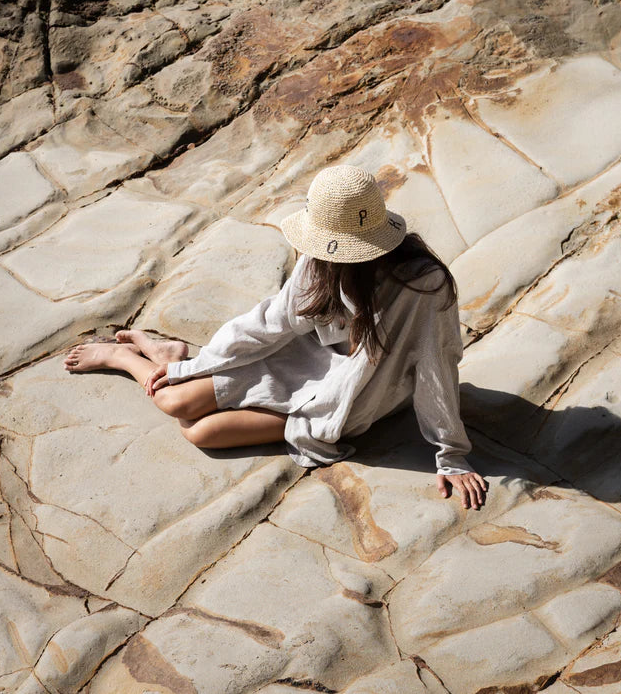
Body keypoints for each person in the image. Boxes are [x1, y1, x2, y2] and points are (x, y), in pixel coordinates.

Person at [64, 165, 487, 509]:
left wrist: (450, 455)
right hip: (298, 360)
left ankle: (150, 357)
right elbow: (268, 324)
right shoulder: (322, 260)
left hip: (350, 395)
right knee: (176, 400)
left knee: (199, 433)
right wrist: (193, 367)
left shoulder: (423, 286)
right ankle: (134, 358)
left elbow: (436, 364)